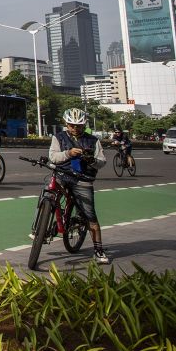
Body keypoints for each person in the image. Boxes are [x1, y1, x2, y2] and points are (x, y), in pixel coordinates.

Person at [48, 107, 109, 264]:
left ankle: (98, 249)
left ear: (84, 125)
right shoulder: (58, 137)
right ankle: (42, 229)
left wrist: (91, 160)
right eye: (72, 125)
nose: (75, 128)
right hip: (63, 174)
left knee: (90, 216)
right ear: (66, 124)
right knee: (49, 193)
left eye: (79, 125)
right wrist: (69, 153)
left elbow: (102, 162)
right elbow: (53, 157)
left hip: (83, 179)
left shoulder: (93, 140)